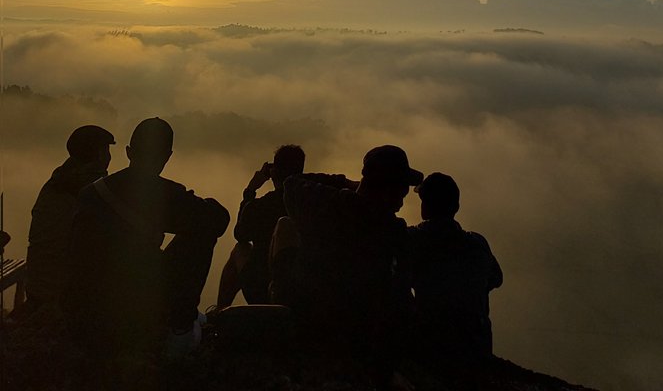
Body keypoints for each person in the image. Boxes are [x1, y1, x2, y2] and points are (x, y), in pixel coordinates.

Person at [64, 117, 229, 354]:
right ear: (167, 156)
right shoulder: (164, 194)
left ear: (129, 152)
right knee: (201, 235)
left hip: (81, 316)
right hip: (127, 313)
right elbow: (218, 220)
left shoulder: (91, 193)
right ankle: (181, 331)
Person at [280, 144, 422, 377]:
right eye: (400, 191)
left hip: (311, 319)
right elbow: (401, 296)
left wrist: (345, 182)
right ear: (385, 189)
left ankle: (279, 307)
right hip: (361, 335)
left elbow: (292, 182)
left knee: (285, 226)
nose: (401, 201)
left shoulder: (326, 204)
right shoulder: (393, 231)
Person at [408, 172, 502, 374]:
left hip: (431, 349)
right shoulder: (477, 244)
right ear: (456, 207)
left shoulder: (412, 240)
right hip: (477, 350)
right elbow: (495, 279)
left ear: (424, 208)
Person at [24, 124, 115, 313]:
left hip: (38, 282)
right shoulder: (91, 189)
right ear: (98, 154)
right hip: (61, 288)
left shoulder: (56, 181)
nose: (109, 157)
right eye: (106, 150)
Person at [217, 144, 305, 307]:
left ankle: (219, 314)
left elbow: (240, 234)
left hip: (262, 289)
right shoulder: (309, 202)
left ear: (273, 172)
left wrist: (250, 190)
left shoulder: (262, 206)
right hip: (304, 288)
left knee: (240, 250)